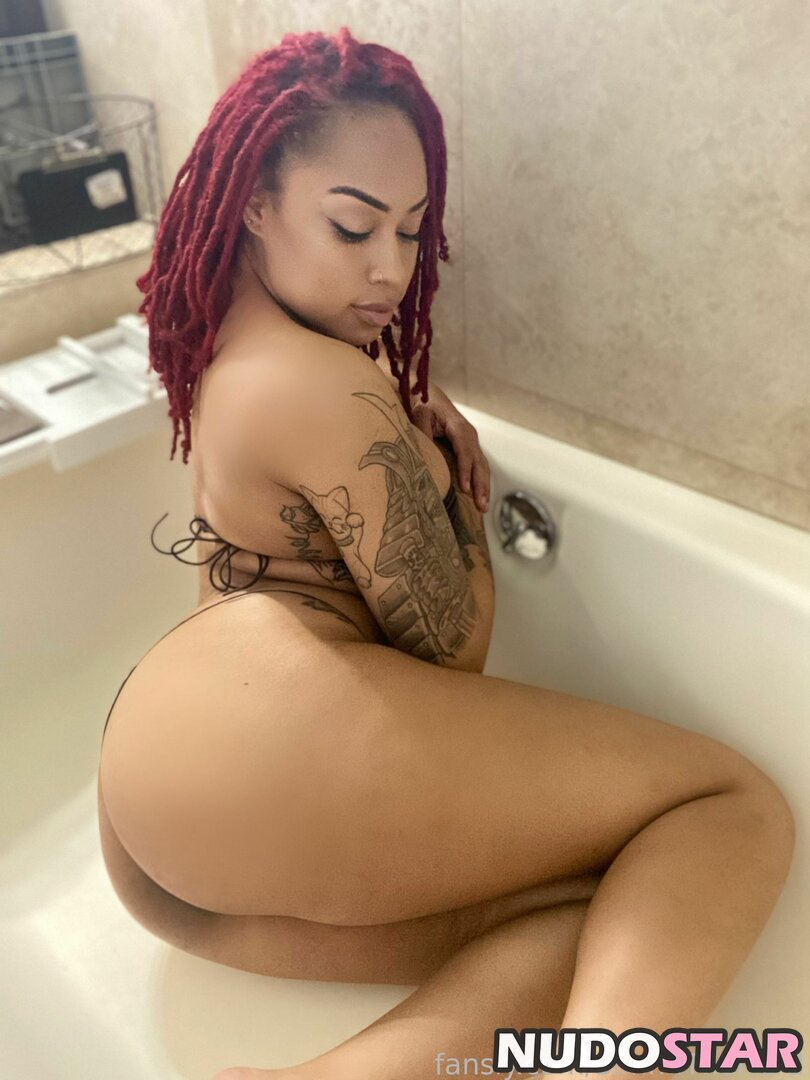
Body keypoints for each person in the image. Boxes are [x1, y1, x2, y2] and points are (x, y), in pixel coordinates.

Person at [96, 27, 795, 1080]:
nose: (390, 268)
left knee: (614, 908)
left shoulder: (234, 345)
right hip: (255, 749)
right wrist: (441, 475)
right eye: (353, 226)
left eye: (413, 232)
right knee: (727, 807)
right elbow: (451, 651)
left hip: (164, 798)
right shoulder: (329, 383)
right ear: (254, 202)